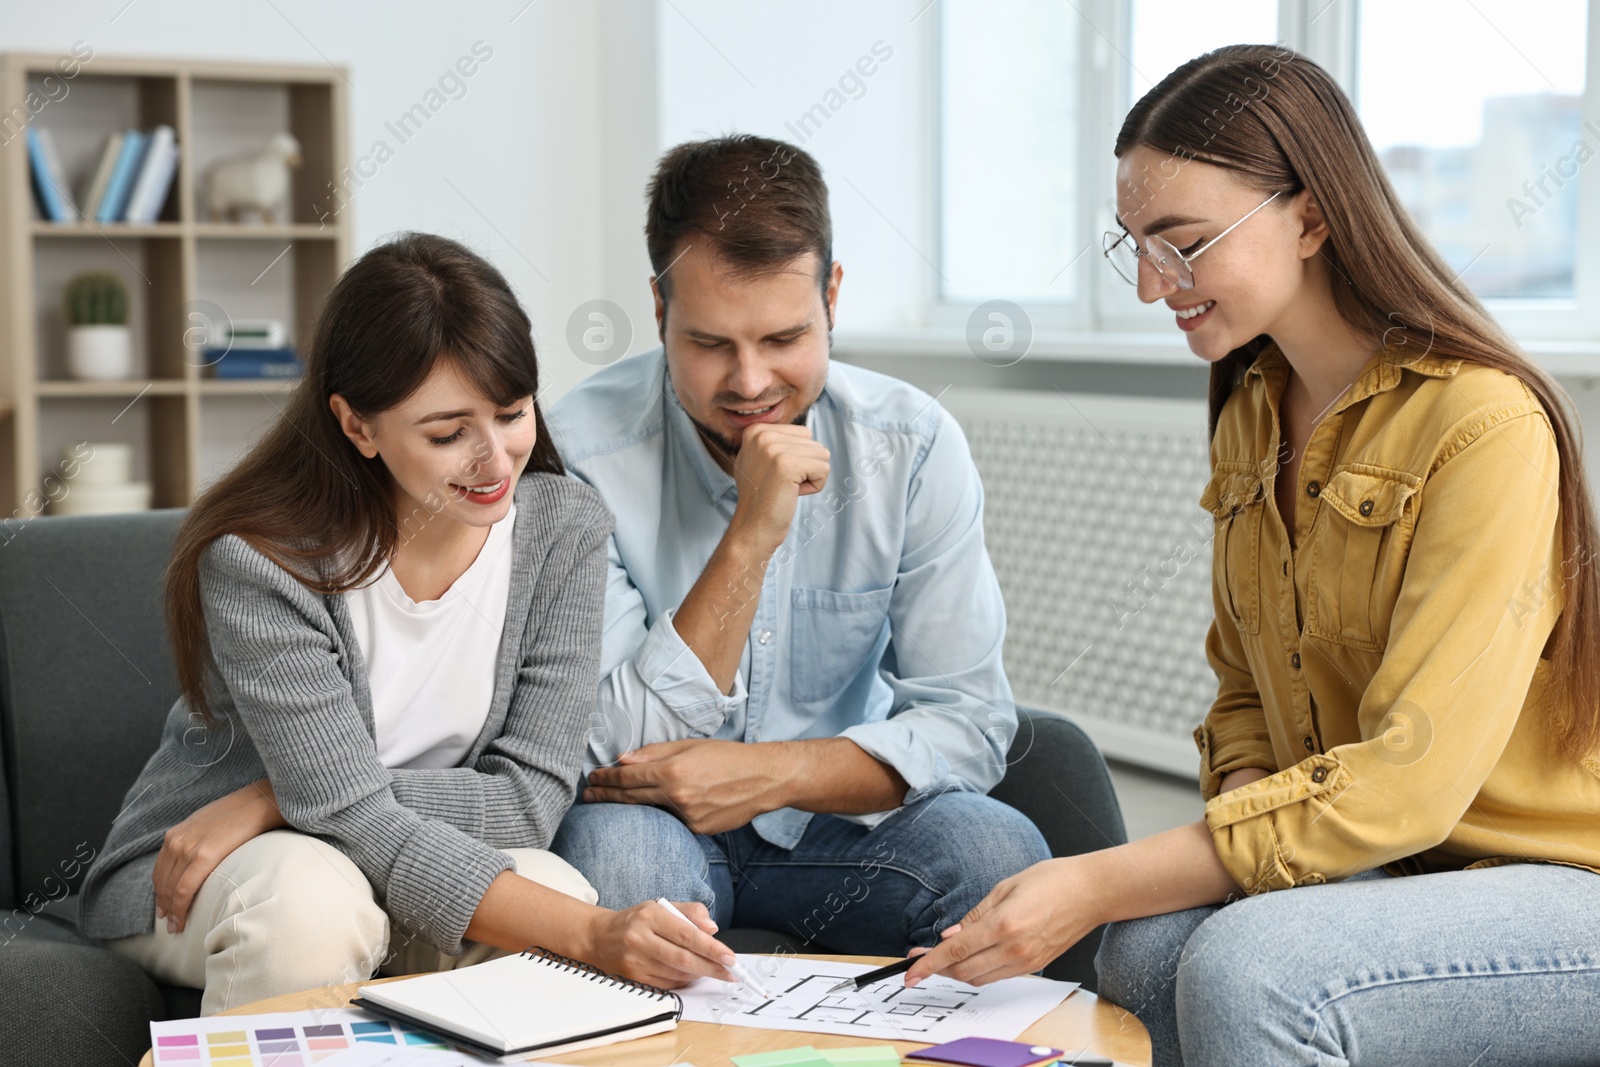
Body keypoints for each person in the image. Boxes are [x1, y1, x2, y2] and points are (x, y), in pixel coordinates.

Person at [904, 45, 1600, 1066]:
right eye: (1133, 245)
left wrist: (1095, 877)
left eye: (1180, 243)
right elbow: (1242, 691)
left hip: (1550, 878)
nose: (1152, 285)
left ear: (1310, 218)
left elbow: (1406, 784)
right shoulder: (1253, 409)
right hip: (1392, 867)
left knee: (1249, 968)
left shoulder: (1483, 425)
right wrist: (1230, 812)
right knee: (1147, 948)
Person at [77, 233, 738, 1014]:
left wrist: (281, 794)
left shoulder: (564, 529)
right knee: (312, 905)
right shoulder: (262, 562)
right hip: (218, 869)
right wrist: (310, 807)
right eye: (448, 432)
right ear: (358, 426)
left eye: (511, 412)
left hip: (353, 842)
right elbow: (347, 816)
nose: (496, 460)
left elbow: (527, 800)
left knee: (552, 883)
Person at [546, 135, 1049, 955]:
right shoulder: (575, 453)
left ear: (832, 297)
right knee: (619, 870)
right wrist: (751, 535)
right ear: (660, 309)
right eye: (710, 343)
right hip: (652, 821)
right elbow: (602, 743)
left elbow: (969, 720)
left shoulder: (912, 445)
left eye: (783, 339)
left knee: (998, 855)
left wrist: (774, 774)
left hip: (838, 826)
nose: (749, 383)